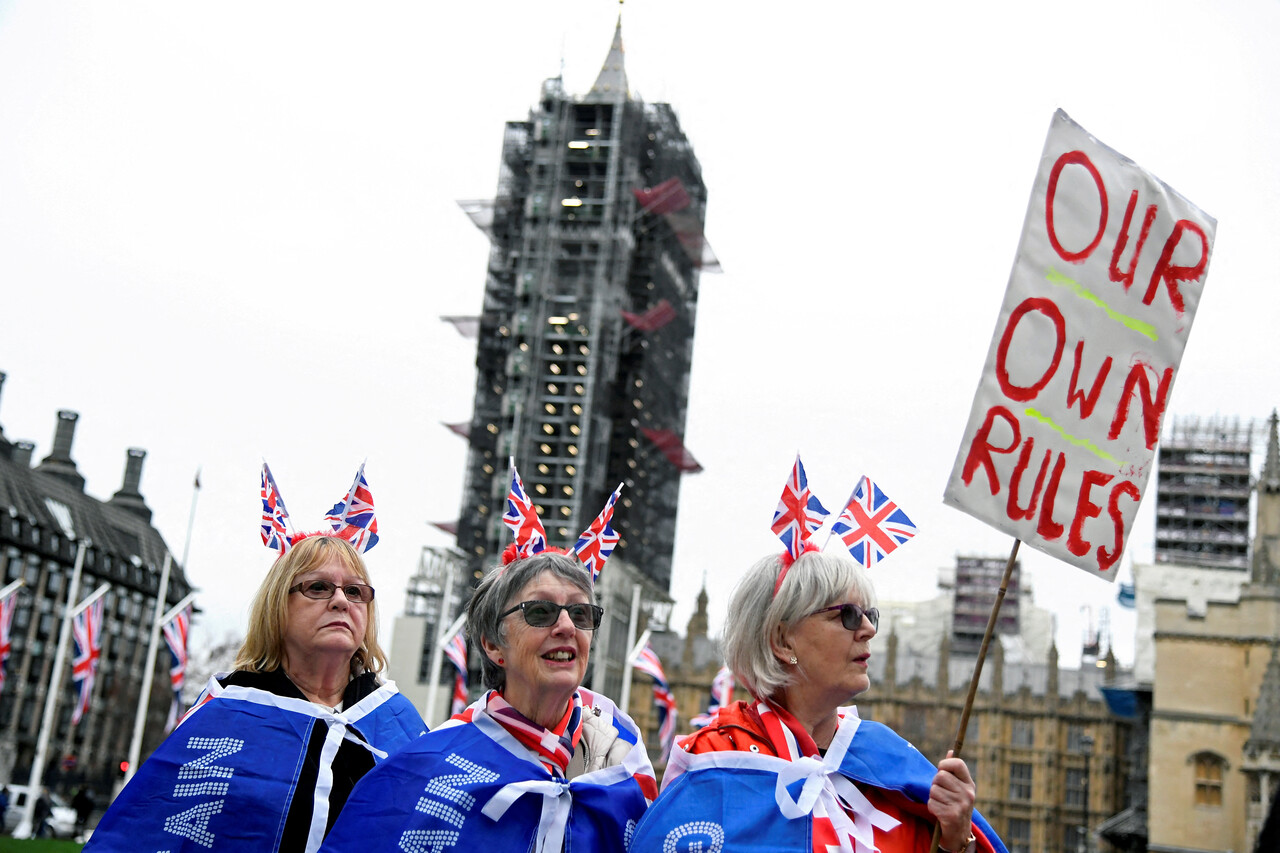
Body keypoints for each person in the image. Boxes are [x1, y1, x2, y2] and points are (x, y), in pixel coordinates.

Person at [631, 477, 1007, 852]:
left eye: (871, 615)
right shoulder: (716, 762)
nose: (868, 629)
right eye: (848, 615)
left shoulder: (888, 762)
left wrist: (956, 842)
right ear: (783, 641)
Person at [85, 466, 425, 853]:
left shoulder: (397, 721)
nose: (340, 601)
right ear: (278, 605)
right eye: (318, 587)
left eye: (355, 591)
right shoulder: (227, 708)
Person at [320, 469, 654, 853]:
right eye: (540, 612)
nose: (566, 626)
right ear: (493, 644)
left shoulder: (624, 761)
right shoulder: (425, 768)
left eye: (581, 613)